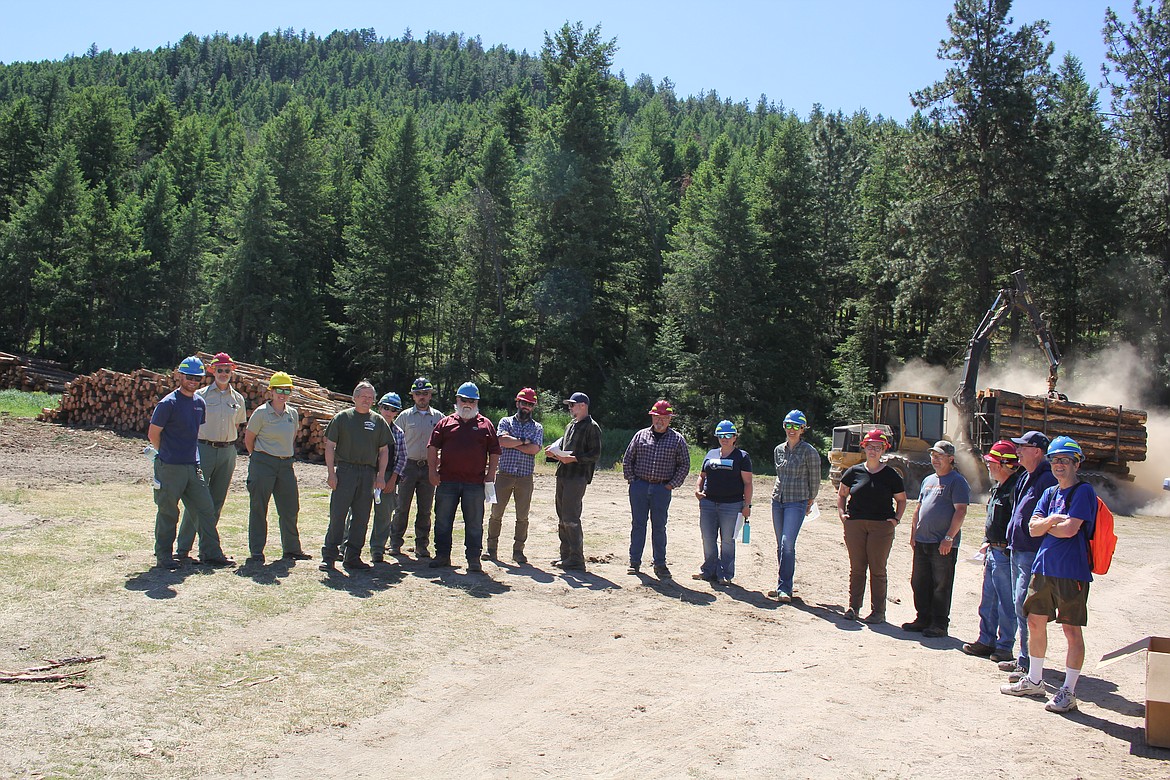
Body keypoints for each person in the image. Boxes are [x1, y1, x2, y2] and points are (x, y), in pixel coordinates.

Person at [1001, 436, 1097, 714]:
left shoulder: (1083, 492)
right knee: (1034, 622)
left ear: (1076, 463)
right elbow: (1032, 529)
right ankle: (1035, 680)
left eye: (1065, 460)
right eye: (1055, 460)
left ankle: (1068, 691)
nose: (1059, 465)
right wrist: (1055, 521)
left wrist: (1048, 523)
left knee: (1070, 629)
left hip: (1071, 572)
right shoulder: (1050, 493)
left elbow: (1069, 530)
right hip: (1043, 568)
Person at [147, 356, 235, 569]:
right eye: (189, 376)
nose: (193, 381)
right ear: (180, 376)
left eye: (197, 377)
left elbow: (193, 432)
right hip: (170, 467)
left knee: (205, 509)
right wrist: (167, 455)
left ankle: (211, 554)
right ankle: (164, 556)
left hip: (192, 466)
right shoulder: (168, 403)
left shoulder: (199, 403)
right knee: (169, 512)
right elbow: (153, 434)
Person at [176, 351, 246, 563]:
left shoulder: (238, 399)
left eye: (227, 370)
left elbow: (237, 425)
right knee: (196, 501)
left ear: (231, 372)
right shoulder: (202, 396)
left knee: (216, 501)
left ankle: (208, 550)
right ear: (212, 371)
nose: (223, 373)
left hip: (227, 452)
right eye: (219, 370)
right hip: (203, 450)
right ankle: (182, 550)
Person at [999, 430, 1057, 681]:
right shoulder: (1025, 476)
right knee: (1018, 603)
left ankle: (1028, 664)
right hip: (1018, 548)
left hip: (1032, 552)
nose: (1018, 450)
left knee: (1027, 607)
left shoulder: (1046, 479)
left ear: (1038, 451)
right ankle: (1023, 658)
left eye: (1023, 447)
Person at [427, 382, 500, 572]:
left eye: (471, 401)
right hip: (447, 481)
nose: (467, 404)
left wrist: (490, 474)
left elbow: (494, 451)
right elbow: (433, 447)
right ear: (457, 401)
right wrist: (432, 471)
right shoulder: (445, 423)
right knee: (442, 520)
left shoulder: (486, 424)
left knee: (474, 522)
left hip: (475, 483)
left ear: (477, 402)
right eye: (463, 400)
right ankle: (442, 555)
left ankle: (474, 558)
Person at [320, 381, 392, 571]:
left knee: (361, 517)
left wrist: (381, 475)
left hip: (368, 473)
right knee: (338, 515)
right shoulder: (342, 418)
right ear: (354, 398)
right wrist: (331, 473)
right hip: (345, 471)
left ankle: (353, 556)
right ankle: (329, 556)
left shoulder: (378, 421)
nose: (367, 400)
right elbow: (330, 446)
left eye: (370, 397)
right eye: (363, 396)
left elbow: (384, 450)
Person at [837, 429, 907, 622]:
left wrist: (896, 519)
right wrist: (843, 515)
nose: (873, 451)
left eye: (878, 447)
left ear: (884, 449)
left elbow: (901, 500)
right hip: (856, 525)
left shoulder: (891, 475)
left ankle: (878, 612)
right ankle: (853, 608)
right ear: (864, 448)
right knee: (857, 567)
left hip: (881, 527)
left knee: (877, 568)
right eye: (870, 446)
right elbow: (842, 495)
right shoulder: (854, 472)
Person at [961, 440, 1021, 661]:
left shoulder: (1016, 488)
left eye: (992, 462)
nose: (989, 466)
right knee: (988, 600)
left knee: (1007, 602)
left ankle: (1005, 646)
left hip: (1006, 554)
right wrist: (987, 540)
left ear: (1005, 464)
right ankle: (986, 641)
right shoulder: (998, 487)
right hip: (993, 551)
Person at [904, 441, 970, 638]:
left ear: (951, 459)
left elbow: (961, 511)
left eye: (940, 456)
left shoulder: (957, 481)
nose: (935, 460)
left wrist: (949, 537)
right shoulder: (928, 480)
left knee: (941, 584)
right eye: (933, 456)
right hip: (922, 540)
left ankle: (939, 623)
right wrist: (913, 533)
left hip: (942, 543)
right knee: (919, 581)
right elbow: (919, 508)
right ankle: (922, 618)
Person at [243, 371, 310, 563]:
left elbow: (292, 437)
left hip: (286, 465)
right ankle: (257, 551)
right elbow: (249, 439)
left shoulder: (292, 414)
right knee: (259, 508)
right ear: (271, 391)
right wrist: (257, 458)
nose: (282, 394)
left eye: (286, 390)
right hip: (263, 463)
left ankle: (292, 549)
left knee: (290, 508)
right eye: (279, 389)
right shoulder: (261, 413)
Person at [622, 400, 691, 580]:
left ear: (670, 419)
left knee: (659, 527)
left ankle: (660, 564)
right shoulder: (640, 436)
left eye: (664, 418)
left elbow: (684, 465)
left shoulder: (677, 439)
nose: (660, 421)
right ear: (652, 417)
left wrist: (671, 484)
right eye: (657, 417)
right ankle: (634, 562)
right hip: (640, 486)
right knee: (638, 524)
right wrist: (632, 480)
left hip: (662, 488)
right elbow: (628, 459)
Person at [484, 387, 544, 564]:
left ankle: (518, 551)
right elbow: (501, 440)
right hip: (504, 475)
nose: (526, 407)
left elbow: (535, 449)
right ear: (517, 403)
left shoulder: (537, 427)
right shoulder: (505, 421)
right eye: (524, 403)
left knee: (522, 516)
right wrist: (524, 442)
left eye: (530, 404)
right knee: (496, 513)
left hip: (525, 477)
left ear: (533, 407)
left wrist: (514, 442)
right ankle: (491, 549)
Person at [769, 409, 821, 603]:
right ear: (784, 426)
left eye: (796, 427)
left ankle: (785, 589)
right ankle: (781, 583)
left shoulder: (809, 452)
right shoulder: (778, 450)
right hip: (778, 501)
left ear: (802, 429)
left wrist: (810, 500)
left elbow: (815, 480)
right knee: (779, 545)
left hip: (796, 502)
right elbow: (778, 475)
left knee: (787, 543)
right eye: (789, 426)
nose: (792, 430)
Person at [545, 392, 602, 572]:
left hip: (577, 477)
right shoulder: (571, 425)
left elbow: (595, 454)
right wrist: (553, 454)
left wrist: (575, 459)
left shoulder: (592, 427)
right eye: (569, 405)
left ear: (583, 405)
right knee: (562, 516)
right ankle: (566, 555)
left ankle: (577, 559)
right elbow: (564, 450)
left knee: (571, 517)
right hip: (563, 473)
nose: (570, 408)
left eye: (572, 405)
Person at [693, 420, 752, 586]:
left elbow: (748, 483)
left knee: (727, 540)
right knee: (708, 538)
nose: (724, 439)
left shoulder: (742, 457)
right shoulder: (710, 454)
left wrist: (747, 505)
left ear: (734, 437)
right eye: (721, 436)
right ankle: (708, 570)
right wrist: (698, 489)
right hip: (708, 503)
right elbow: (702, 475)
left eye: (728, 435)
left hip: (731, 505)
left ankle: (725, 573)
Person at [390, 377, 443, 558]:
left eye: (425, 394)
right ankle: (395, 543)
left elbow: (445, 443)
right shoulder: (404, 416)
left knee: (425, 509)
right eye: (418, 393)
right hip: (408, 466)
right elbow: (395, 442)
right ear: (413, 396)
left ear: (430, 396)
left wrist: (438, 465)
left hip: (428, 467)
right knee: (401, 506)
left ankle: (422, 545)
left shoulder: (438, 417)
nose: (422, 397)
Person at [366, 392, 407, 563]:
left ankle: (377, 549)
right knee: (357, 513)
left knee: (384, 515)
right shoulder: (368, 427)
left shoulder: (398, 432)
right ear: (379, 407)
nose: (388, 412)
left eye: (393, 409)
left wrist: (393, 479)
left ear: (397, 412)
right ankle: (347, 547)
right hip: (367, 473)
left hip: (389, 476)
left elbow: (403, 457)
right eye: (386, 408)